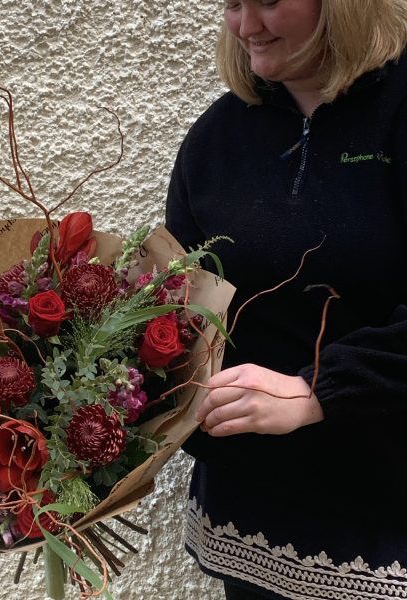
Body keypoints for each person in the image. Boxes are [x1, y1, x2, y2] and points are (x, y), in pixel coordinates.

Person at [165, 1, 407, 599]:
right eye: (232, 3)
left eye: (270, 0)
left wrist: (320, 389)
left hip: (387, 517)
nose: (246, 26)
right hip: (254, 527)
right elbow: (181, 313)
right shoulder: (216, 139)